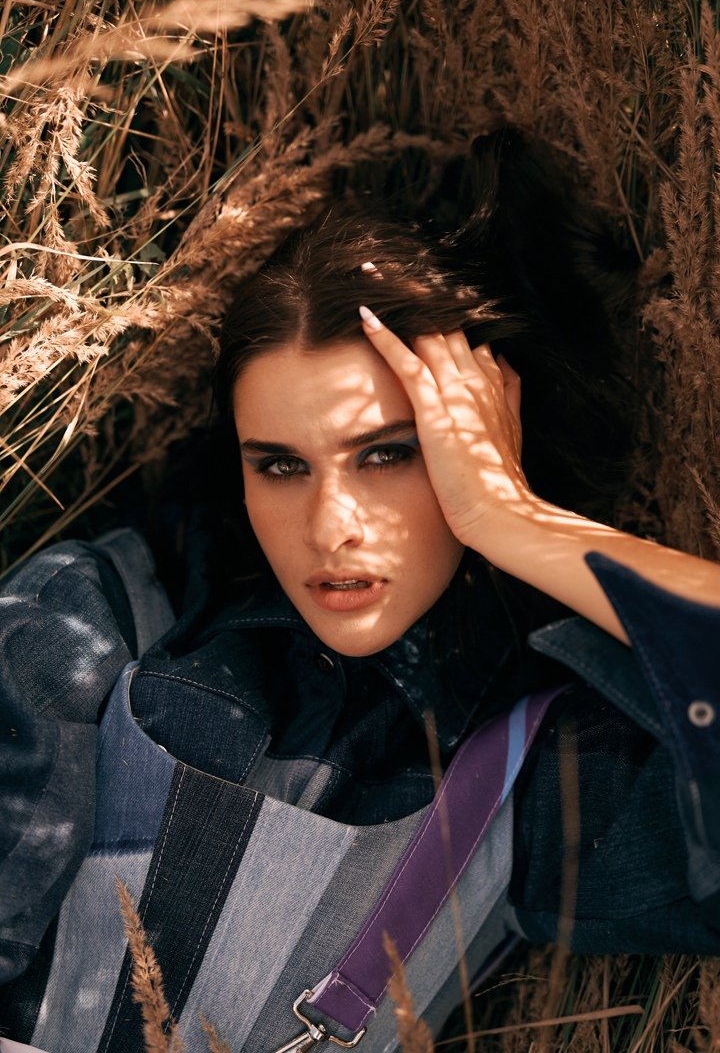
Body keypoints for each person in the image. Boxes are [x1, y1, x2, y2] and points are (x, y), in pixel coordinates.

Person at [0, 131, 718, 1052]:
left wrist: (519, 521)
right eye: (280, 465)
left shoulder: (529, 769)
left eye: (387, 455)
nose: (329, 526)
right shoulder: (99, 621)